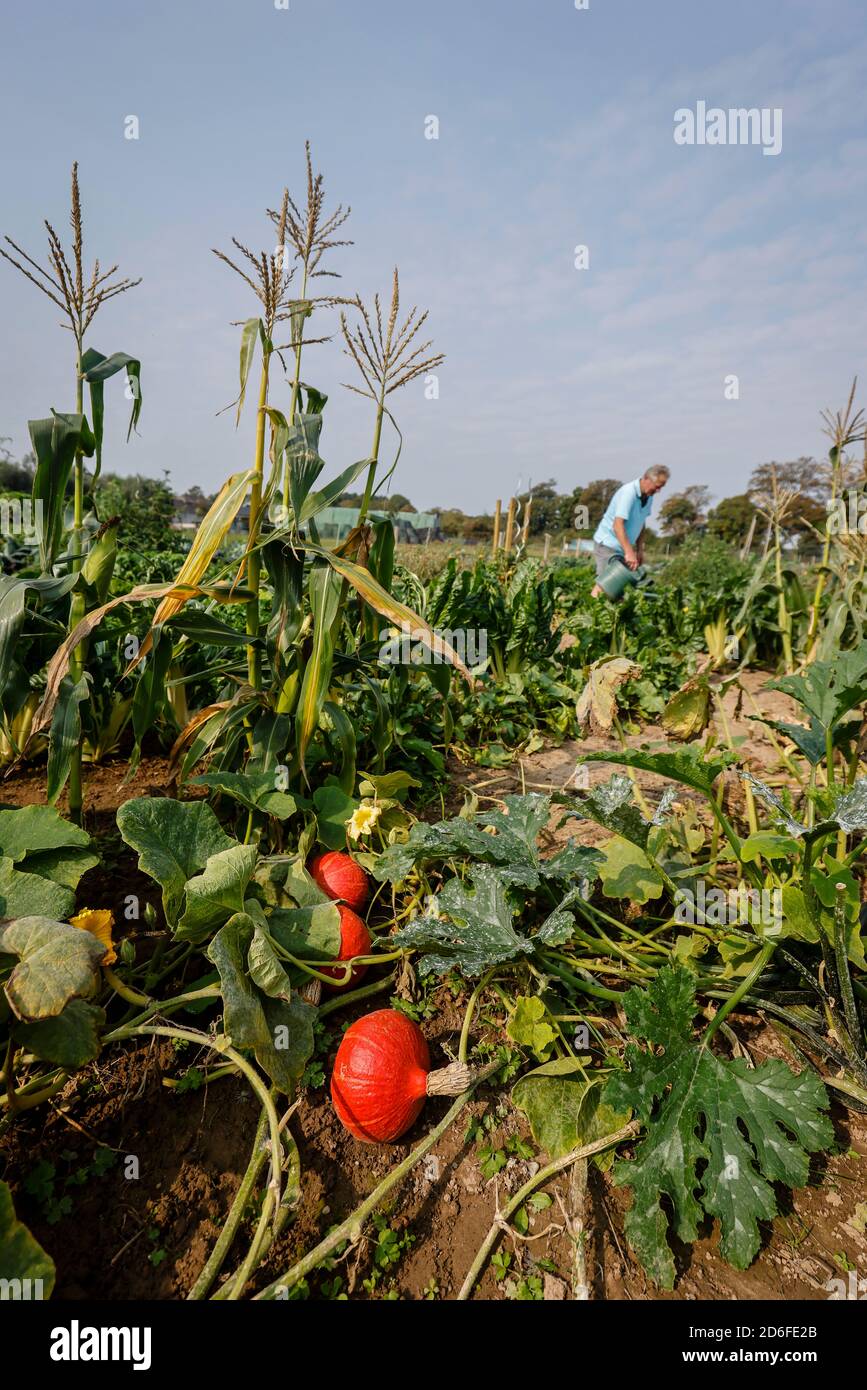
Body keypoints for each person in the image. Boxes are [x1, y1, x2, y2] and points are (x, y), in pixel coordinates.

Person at [590, 465, 670, 597]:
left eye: (661, 487)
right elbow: (618, 525)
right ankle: (588, 614)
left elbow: (641, 523)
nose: (658, 490)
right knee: (606, 587)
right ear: (646, 478)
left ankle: (609, 615)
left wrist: (639, 550)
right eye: (657, 486)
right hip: (608, 544)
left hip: (621, 547)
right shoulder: (629, 493)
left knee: (617, 590)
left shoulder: (648, 496)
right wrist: (629, 552)